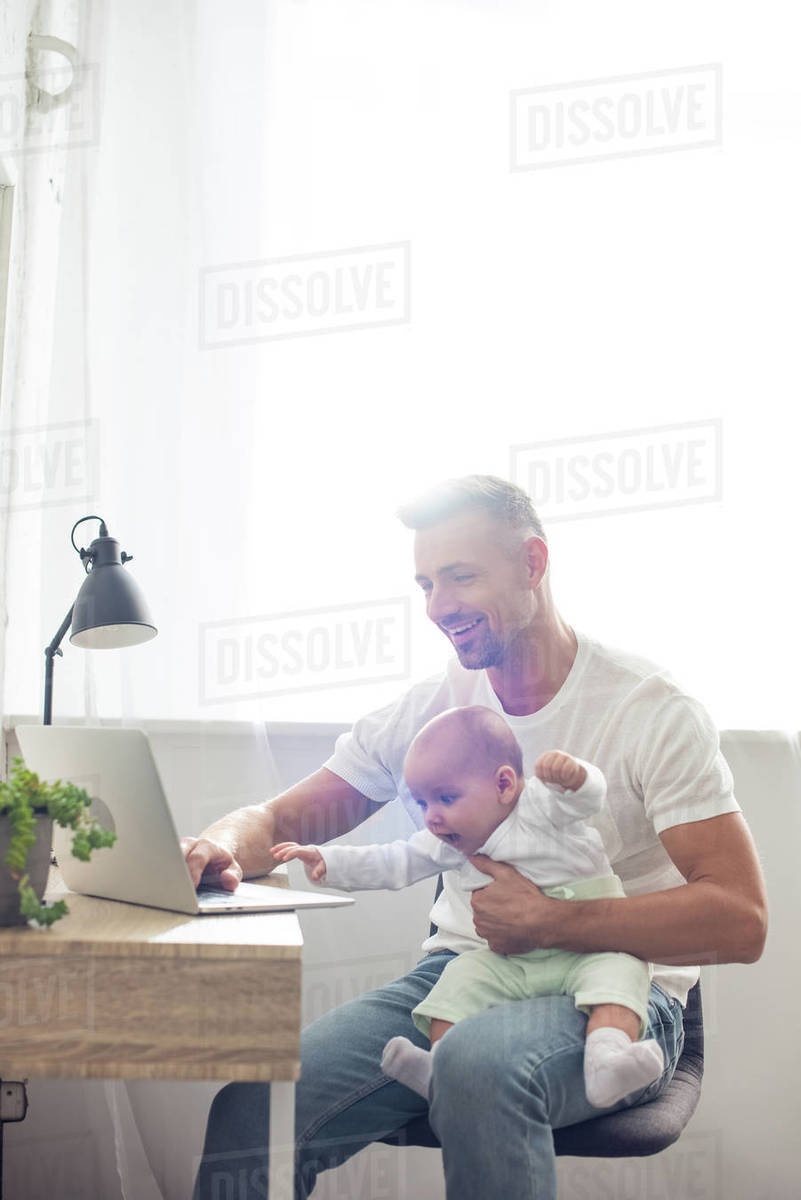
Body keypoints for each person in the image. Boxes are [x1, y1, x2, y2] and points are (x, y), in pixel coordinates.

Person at [185, 474, 768, 1200]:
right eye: (426, 584)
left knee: (476, 1065)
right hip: (463, 977)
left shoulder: (648, 709)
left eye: (461, 577)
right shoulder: (436, 710)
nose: (439, 606)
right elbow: (279, 822)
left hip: (614, 994)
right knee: (255, 1113)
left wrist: (553, 921)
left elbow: (740, 920)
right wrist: (214, 844)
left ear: (532, 563)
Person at [269, 704, 666, 1109]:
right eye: (423, 804)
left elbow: (585, 801)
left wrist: (577, 778)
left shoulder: (542, 805)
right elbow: (397, 860)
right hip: (510, 960)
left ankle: (607, 1061)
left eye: (446, 798)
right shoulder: (449, 840)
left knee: (623, 971)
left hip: (588, 950)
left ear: (505, 785)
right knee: (460, 978)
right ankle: (439, 1068)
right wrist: (329, 861)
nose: (433, 818)